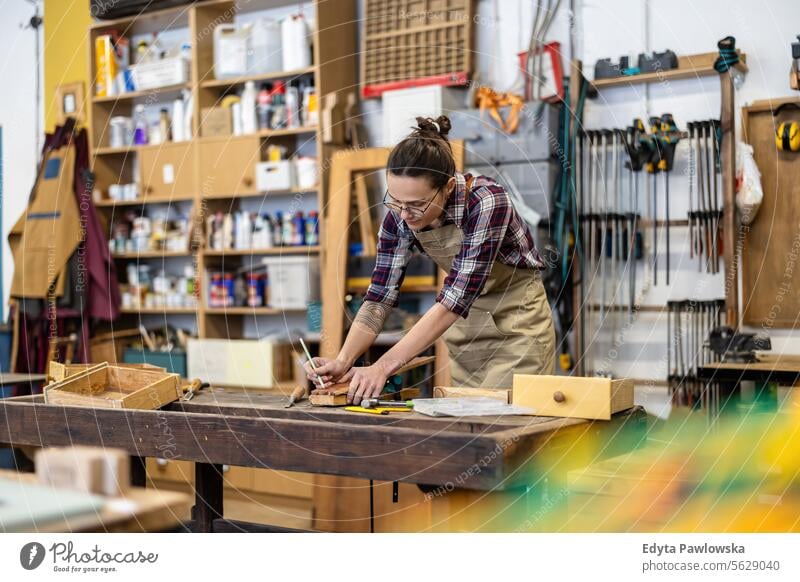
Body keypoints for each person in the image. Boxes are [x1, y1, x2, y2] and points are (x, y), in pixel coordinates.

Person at [306, 115, 555, 404]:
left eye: (416, 204)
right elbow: (379, 298)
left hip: (517, 328)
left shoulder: (487, 202)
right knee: (468, 431)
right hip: (466, 334)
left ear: (448, 187)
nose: (403, 213)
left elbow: (455, 298)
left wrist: (383, 367)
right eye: (395, 201)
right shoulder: (399, 217)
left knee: (506, 426)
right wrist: (344, 360)